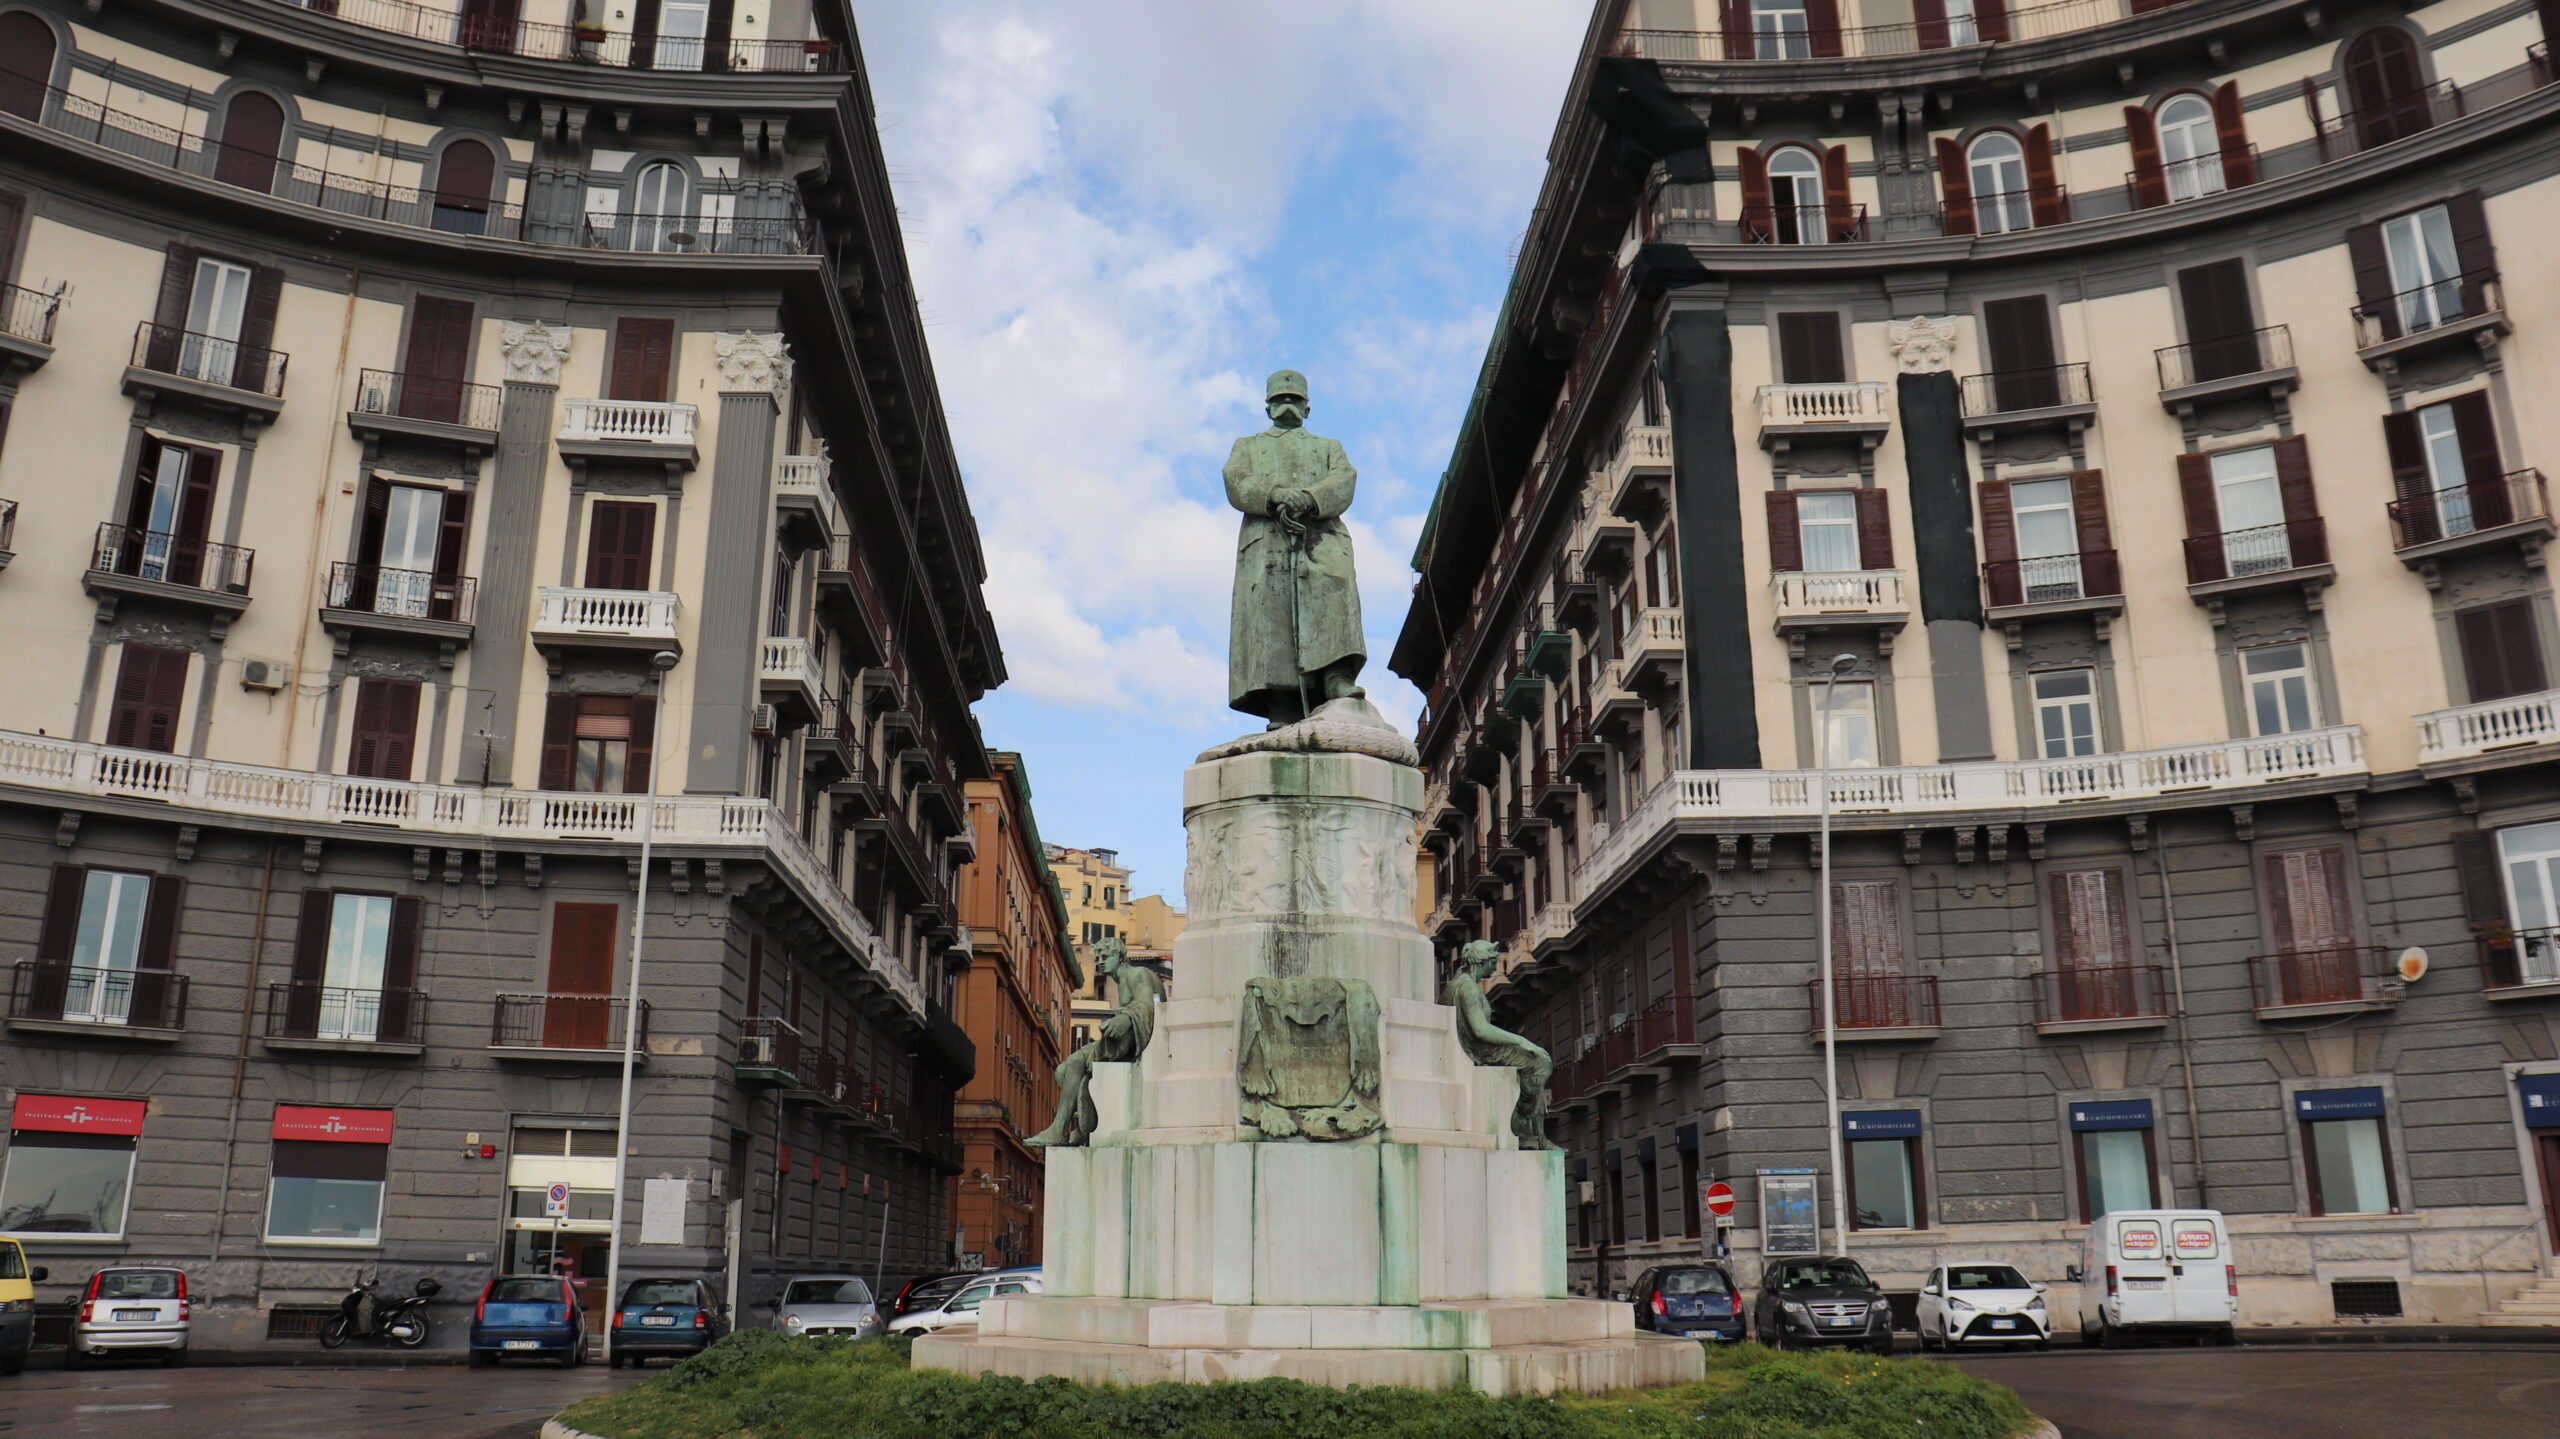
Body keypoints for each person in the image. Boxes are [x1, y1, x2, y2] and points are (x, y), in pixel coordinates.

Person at [1224, 369, 1366, 727]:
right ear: (1268, 407)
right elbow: (1236, 479)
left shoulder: (1328, 446)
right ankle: (1281, 702)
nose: (1287, 404)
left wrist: (1308, 498)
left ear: (1307, 408)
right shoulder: (1248, 445)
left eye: (1295, 399)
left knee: (1335, 587)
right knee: (1271, 615)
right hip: (1268, 541)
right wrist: (1273, 497)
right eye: (1279, 399)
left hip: (1321, 535)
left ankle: (1336, 676)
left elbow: (1344, 480)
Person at [1026, 937, 1164, 1148]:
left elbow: (1147, 1004)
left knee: (1073, 1063)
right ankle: (1084, 1124)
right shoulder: (1122, 980)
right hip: (1128, 1035)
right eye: (1098, 957)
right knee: (1062, 1072)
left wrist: (1125, 1019)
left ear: (1120, 956)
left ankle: (1059, 1129)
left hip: (1141, 1035)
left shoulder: (1137, 974)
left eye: (1106, 956)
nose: (1101, 961)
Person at [1446, 939, 1555, 1149]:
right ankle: (1523, 1125)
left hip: (1470, 1048)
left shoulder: (1462, 982)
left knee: (1536, 1061)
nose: (1496, 966)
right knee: (1539, 1061)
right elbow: (1480, 1029)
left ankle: (1533, 1131)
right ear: (1482, 961)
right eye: (1493, 961)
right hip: (1479, 1051)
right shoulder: (1467, 988)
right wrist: (1523, 1041)